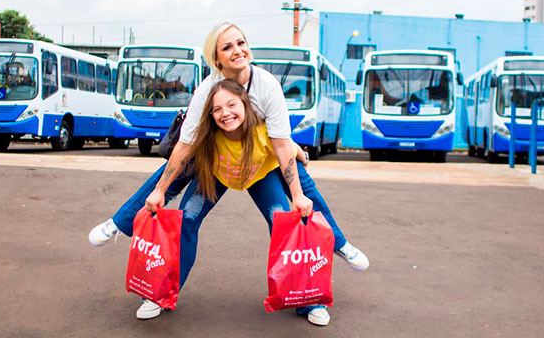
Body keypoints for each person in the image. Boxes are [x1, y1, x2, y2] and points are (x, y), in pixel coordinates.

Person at [89, 22, 369, 324]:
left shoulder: (266, 86)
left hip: (260, 167)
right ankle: (154, 284)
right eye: (227, 47)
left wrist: (298, 194)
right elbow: (185, 145)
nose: (237, 51)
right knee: (184, 217)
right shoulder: (208, 89)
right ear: (217, 58)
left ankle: (314, 290)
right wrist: (159, 191)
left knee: (291, 219)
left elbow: (282, 146)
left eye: (241, 42)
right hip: (215, 165)